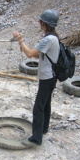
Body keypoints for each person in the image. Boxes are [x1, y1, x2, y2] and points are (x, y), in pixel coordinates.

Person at [13, 9, 60, 146]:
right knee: (45, 104)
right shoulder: (53, 37)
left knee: (38, 107)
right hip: (51, 76)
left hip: (47, 77)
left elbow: (29, 54)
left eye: (40, 22)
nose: (39, 23)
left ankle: (36, 138)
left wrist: (20, 40)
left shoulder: (48, 39)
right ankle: (43, 129)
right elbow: (36, 54)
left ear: (43, 23)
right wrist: (23, 44)